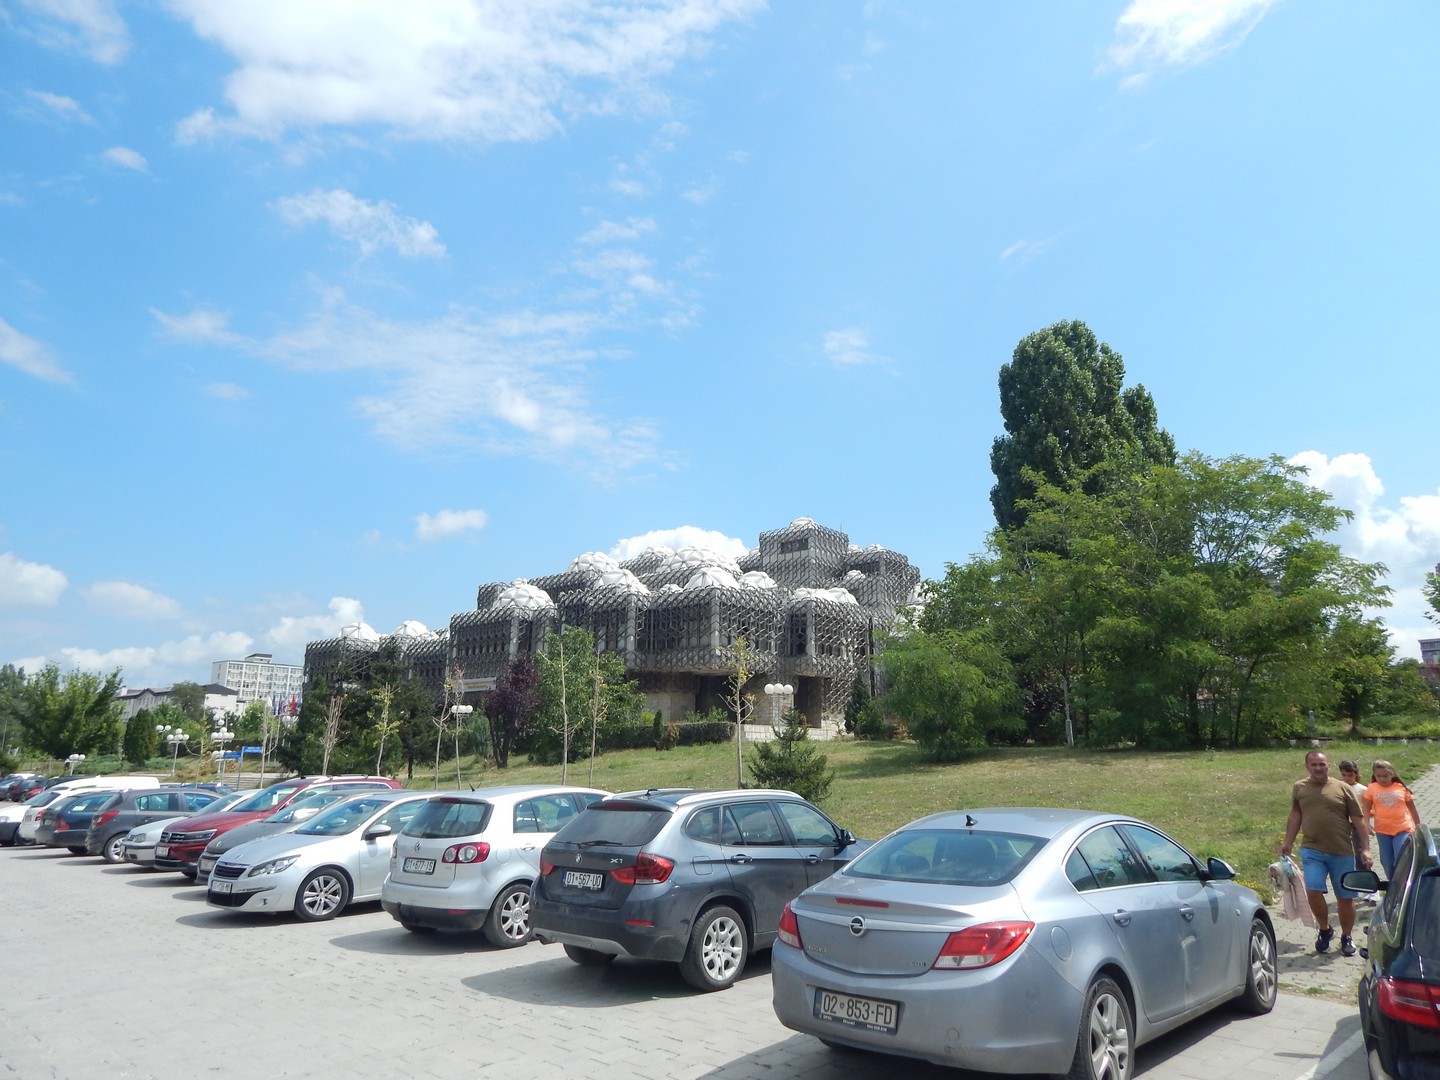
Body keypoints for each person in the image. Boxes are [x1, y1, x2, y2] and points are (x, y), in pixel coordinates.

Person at [1280, 750, 1371, 957]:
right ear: (1307, 766)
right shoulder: (1300, 787)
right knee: (1313, 890)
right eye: (1313, 764)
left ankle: (1347, 936)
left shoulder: (1342, 788)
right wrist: (1288, 842)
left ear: (1328, 765)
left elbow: (1358, 820)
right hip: (1312, 849)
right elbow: (1296, 815)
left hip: (1342, 851)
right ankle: (1325, 929)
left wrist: (1365, 848)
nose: (1318, 768)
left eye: (1322, 764)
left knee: (1345, 898)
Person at [1363, 759, 1421, 879]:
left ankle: (1404, 880)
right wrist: (1366, 823)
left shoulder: (1400, 788)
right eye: (1378, 776)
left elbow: (1412, 808)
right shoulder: (1372, 788)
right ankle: (1392, 882)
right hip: (1382, 830)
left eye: (1385, 776)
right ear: (1374, 775)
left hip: (1402, 828)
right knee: (1387, 861)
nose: (1382, 779)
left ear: (1392, 774)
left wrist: (1418, 825)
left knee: (1400, 856)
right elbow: (1366, 808)